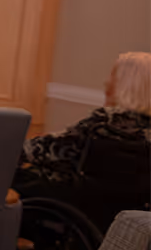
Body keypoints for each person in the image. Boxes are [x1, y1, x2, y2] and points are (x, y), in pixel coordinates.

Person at [13, 51, 151, 228]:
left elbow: (34, 151)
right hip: (119, 222)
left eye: (113, 76)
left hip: (77, 210)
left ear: (126, 85)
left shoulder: (103, 123)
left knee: (16, 175)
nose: (107, 83)